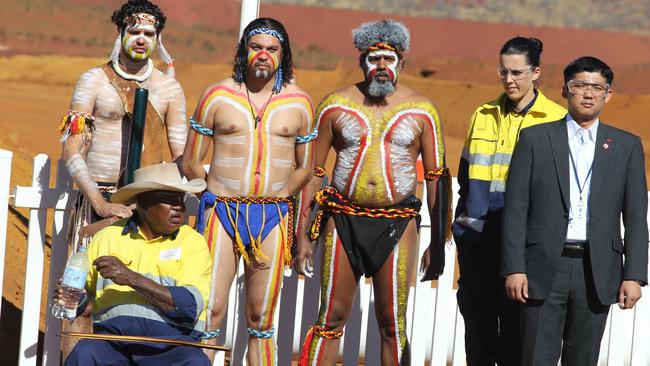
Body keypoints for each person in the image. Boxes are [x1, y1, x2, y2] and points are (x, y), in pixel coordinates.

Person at [296, 20, 452, 365]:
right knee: (330, 318)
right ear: (361, 62)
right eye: (374, 58)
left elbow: (437, 177)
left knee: (392, 324)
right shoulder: (334, 105)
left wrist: (438, 241)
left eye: (389, 59)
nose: (381, 67)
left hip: (396, 225)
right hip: (342, 221)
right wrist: (303, 235)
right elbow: (314, 172)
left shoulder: (422, 110)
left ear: (402, 63)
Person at [182, 17, 315, 365]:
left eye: (272, 49)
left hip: (271, 216)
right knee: (209, 311)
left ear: (283, 54)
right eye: (256, 47)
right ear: (244, 50)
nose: (263, 55)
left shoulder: (300, 103)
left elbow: (306, 166)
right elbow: (191, 160)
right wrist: (209, 196)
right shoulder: (216, 96)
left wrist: (282, 194)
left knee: (261, 319)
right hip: (221, 213)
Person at [502, 56, 648, 365]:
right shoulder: (535, 139)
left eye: (597, 87)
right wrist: (515, 267)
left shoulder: (626, 146)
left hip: (597, 272)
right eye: (580, 85)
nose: (588, 93)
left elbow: (636, 217)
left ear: (608, 94)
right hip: (542, 268)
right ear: (565, 90)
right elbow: (515, 209)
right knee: (534, 358)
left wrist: (634, 275)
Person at [452, 37, 566, 365]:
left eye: (516, 72)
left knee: (516, 335)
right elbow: (466, 178)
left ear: (536, 73)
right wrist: (464, 229)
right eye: (503, 72)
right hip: (478, 241)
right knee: (477, 331)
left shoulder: (556, 120)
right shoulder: (483, 114)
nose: (509, 79)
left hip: (524, 246)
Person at [60, 0, 188, 249]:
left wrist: (166, 194)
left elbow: (180, 154)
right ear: (120, 34)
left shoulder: (170, 89)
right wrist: (100, 204)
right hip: (97, 196)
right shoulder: (93, 80)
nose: (141, 39)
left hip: (147, 205)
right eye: (134, 32)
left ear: (158, 38)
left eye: (148, 34)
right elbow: (71, 149)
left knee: (138, 284)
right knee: (86, 283)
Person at [61, 163, 212, 365]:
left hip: (172, 348)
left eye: (181, 198)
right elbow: (83, 300)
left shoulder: (192, 243)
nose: (179, 206)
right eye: (168, 199)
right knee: (85, 353)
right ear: (143, 201)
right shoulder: (107, 237)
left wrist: (130, 278)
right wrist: (71, 298)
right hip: (113, 346)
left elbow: (189, 307)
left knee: (195, 362)